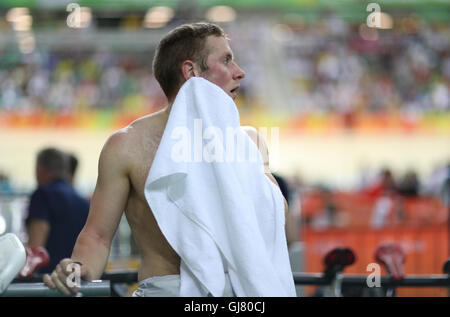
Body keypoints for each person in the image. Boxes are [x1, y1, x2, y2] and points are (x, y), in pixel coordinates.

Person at [43, 22, 290, 296]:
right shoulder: (127, 145)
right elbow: (97, 237)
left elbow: (277, 225)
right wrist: (76, 271)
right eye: (226, 60)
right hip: (166, 290)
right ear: (191, 71)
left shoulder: (250, 142)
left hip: (242, 294)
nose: (240, 72)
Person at [26, 147, 90, 273]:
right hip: (74, 278)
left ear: (40, 169)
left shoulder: (41, 195)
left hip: (48, 280)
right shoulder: (83, 202)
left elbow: (35, 249)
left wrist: (25, 274)